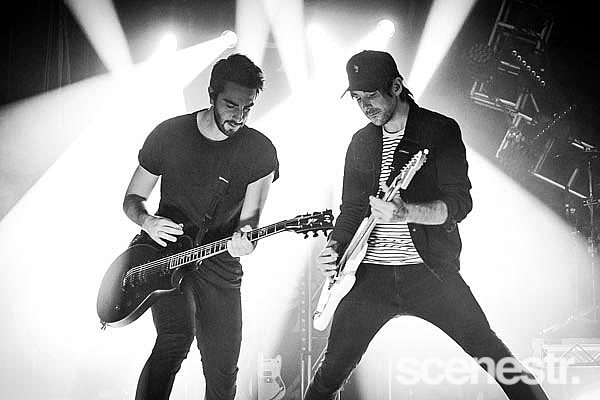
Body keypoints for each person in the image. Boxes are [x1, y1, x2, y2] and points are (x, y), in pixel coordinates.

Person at [304, 50, 549, 400]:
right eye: (357, 98)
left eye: (371, 95)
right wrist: (334, 248)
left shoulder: (439, 131)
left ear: (396, 86)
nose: (365, 106)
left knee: (493, 356)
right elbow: (352, 209)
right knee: (330, 374)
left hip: (429, 271)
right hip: (369, 275)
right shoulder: (361, 142)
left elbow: (459, 203)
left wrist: (407, 212)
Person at [123, 53, 279, 400]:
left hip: (219, 261)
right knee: (175, 340)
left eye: (248, 108)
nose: (239, 117)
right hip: (167, 256)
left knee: (223, 367)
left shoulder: (260, 151)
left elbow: (250, 224)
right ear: (211, 94)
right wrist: (148, 221)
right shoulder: (170, 133)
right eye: (231, 105)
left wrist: (246, 242)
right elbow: (132, 198)